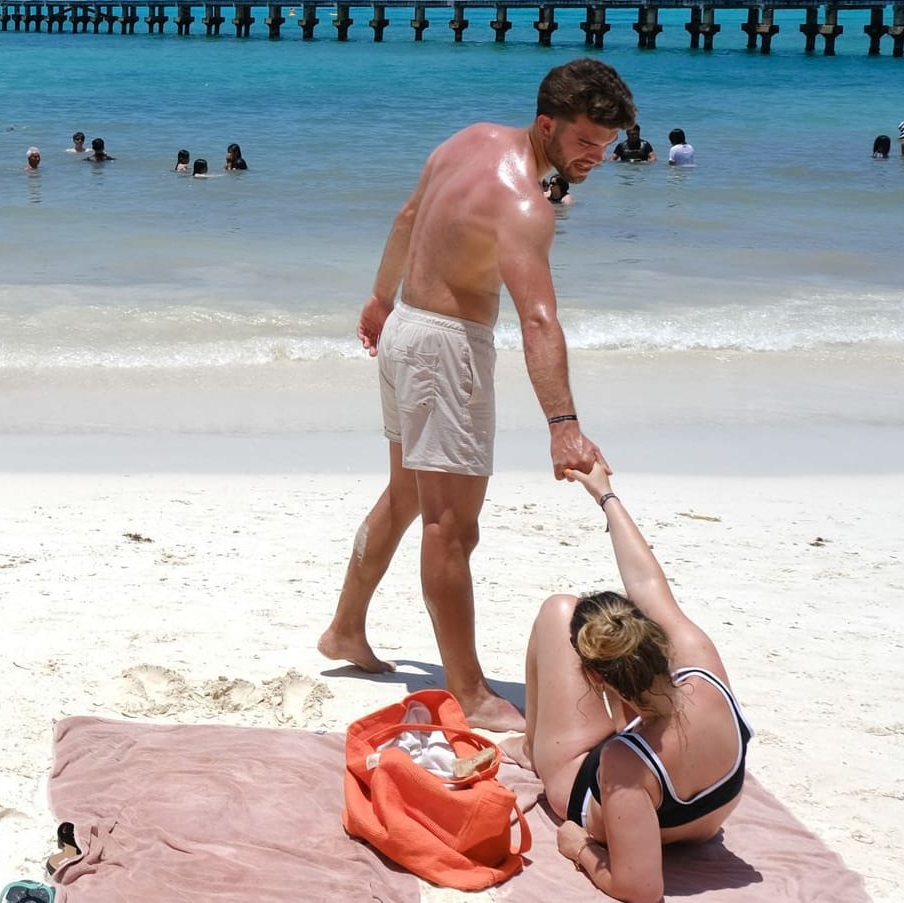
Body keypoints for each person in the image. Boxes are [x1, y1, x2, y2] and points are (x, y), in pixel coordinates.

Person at [317, 57, 630, 731]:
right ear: (546, 124)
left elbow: (406, 216)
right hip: (446, 350)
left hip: (406, 330)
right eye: (583, 141)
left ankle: (345, 628)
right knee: (450, 526)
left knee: (407, 495)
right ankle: (469, 691)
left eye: (604, 145)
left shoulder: (469, 139)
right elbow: (538, 319)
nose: (595, 156)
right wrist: (563, 424)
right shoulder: (525, 206)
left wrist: (379, 299)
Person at [511, 461, 752, 903]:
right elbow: (646, 582)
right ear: (657, 638)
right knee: (580, 614)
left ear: (596, 678)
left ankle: (532, 751)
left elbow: (640, 889)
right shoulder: (703, 667)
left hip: (610, 794)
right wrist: (605, 495)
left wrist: (579, 849)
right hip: (703, 817)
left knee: (560, 610)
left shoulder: (623, 761)